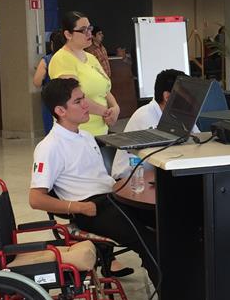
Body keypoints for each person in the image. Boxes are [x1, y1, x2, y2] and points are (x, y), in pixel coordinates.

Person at [30, 78, 158, 287]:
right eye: (78, 101)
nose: (86, 104)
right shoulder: (49, 147)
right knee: (150, 242)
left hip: (111, 197)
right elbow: (36, 199)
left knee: (167, 221)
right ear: (61, 111)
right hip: (90, 208)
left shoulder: (86, 136)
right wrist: (77, 207)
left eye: (84, 99)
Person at [111, 69, 198, 180]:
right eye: (186, 97)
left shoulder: (179, 115)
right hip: (130, 180)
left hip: (155, 175)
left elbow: (198, 140)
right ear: (167, 97)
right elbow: (167, 157)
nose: (191, 101)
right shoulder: (145, 116)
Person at [48, 11, 119, 136]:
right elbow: (74, 97)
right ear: (68, 34)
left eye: (89, 28)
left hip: (101, 131)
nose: (89, 34)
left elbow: (105, 90)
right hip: (77, 133)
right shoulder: (62, 59)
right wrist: (105, 112)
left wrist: (115, 108)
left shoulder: (91, 58)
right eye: (83, 30)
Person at [33, 30, 66, 136]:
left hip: (50, 99)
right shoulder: (72, 58)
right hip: (68, 97)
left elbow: (37, 82)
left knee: (52, 130)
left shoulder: (47, 60)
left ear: (52, 44)